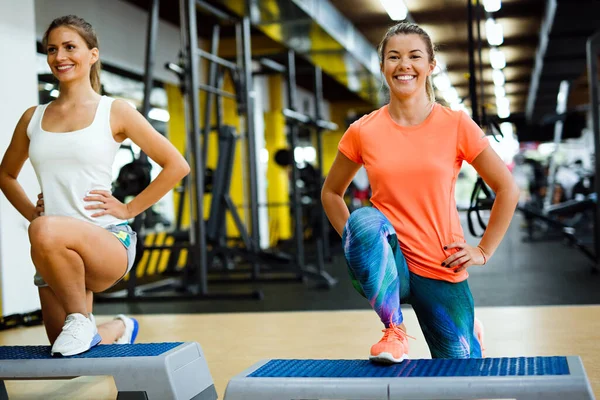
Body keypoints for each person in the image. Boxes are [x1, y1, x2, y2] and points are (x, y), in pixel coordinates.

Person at [321, 22, 520, 363]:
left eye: (415, 56)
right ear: (383, 65)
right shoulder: (362, 131)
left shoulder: (456, 124)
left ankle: (470, 330)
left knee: (460, 371)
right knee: (364, 222)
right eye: (393, 57)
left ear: (431, 66)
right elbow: (331, 193)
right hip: (392, 265)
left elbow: (507, 188)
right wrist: (354, 243)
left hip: (441, 263)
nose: (404, 65)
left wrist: (483, 251)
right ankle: (394, 331)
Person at [0, 15, 190, 357]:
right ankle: (120, 326)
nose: (60, 57)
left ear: (93, 55)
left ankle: (80, 320)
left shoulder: (114, 111)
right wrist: (33, 213)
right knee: (67, 358)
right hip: (52, 251)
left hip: (107, 241)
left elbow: (177, 165)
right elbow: (6, 175)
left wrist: (129, 208)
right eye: (52, 49)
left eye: (70, 47)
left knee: (44, 231)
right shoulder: (33, 118)